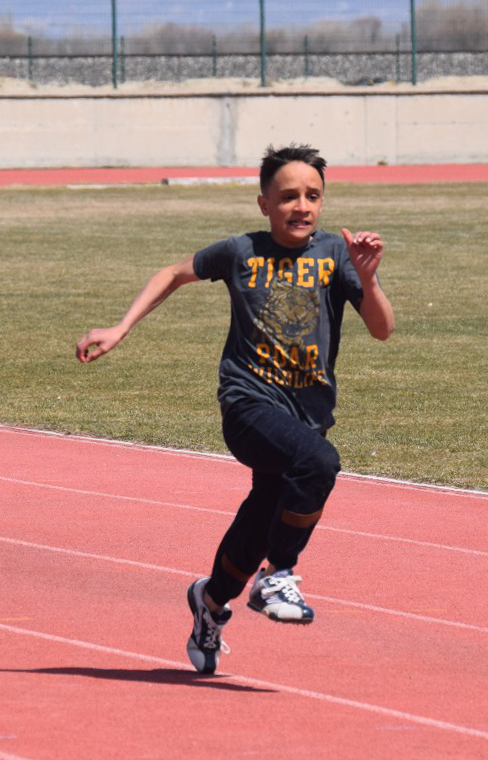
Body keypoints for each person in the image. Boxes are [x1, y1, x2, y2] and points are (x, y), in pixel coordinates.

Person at [75, 144, 394, 675]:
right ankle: (281, 572)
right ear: (264, 203)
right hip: (247, 405)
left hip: (303, 414)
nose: (302, 206)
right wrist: (120, 327)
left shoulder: (337, 255)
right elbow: (174, 272)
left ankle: (210, 601)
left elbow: (382, 330)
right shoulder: (241, 251)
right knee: (318, 463)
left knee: (258, 523)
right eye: (288, 196)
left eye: (313, 196)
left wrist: (370, 275)